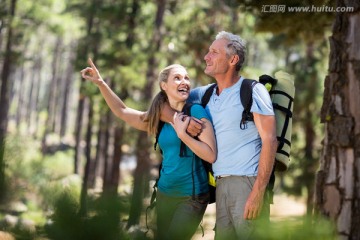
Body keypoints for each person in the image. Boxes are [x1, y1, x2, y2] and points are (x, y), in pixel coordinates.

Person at [80, 59, 217, 240]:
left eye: (186, 78)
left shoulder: (196, 112)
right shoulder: (157, 118)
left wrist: (183, 135)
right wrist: (101, 83)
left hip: (192, 197)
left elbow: (211, 154)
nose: (184, 82)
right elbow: (122, 111)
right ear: (164, 86)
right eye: (177, 78)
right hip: (164, 194)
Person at [161, 31, 278, 239]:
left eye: (214, 52)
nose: (207, 56)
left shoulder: (253, 90)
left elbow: (270, 140)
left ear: (233, 60)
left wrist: (258, 193)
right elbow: (165, 101)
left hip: (248, 183)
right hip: (221, 185)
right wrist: (185, 123)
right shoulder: (204, 94)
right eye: (208, 51)